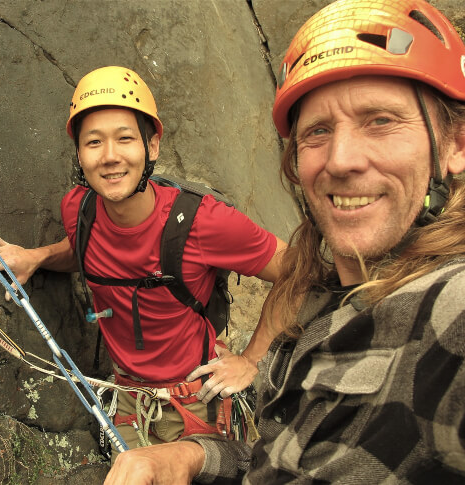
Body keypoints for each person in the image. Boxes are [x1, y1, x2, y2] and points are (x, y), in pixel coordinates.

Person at [104, 0, 465, 482]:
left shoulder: (447, 314)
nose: (341, 159)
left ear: (456, 143)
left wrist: (250, 359)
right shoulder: (322, 308)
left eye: (380, 120)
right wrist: (189, 457)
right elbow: (277, 461)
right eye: (317, 131)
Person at [0, 65, 287, 453]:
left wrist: (252, 359)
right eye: (94, 142)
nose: (111, 157)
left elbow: (298, 270)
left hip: (194, 400)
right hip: (125, 398)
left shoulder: (203, 222)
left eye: (125, 139)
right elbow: (85, 251)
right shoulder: (78, 210)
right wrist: (34, 258)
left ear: (151, 147)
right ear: (80, 155)